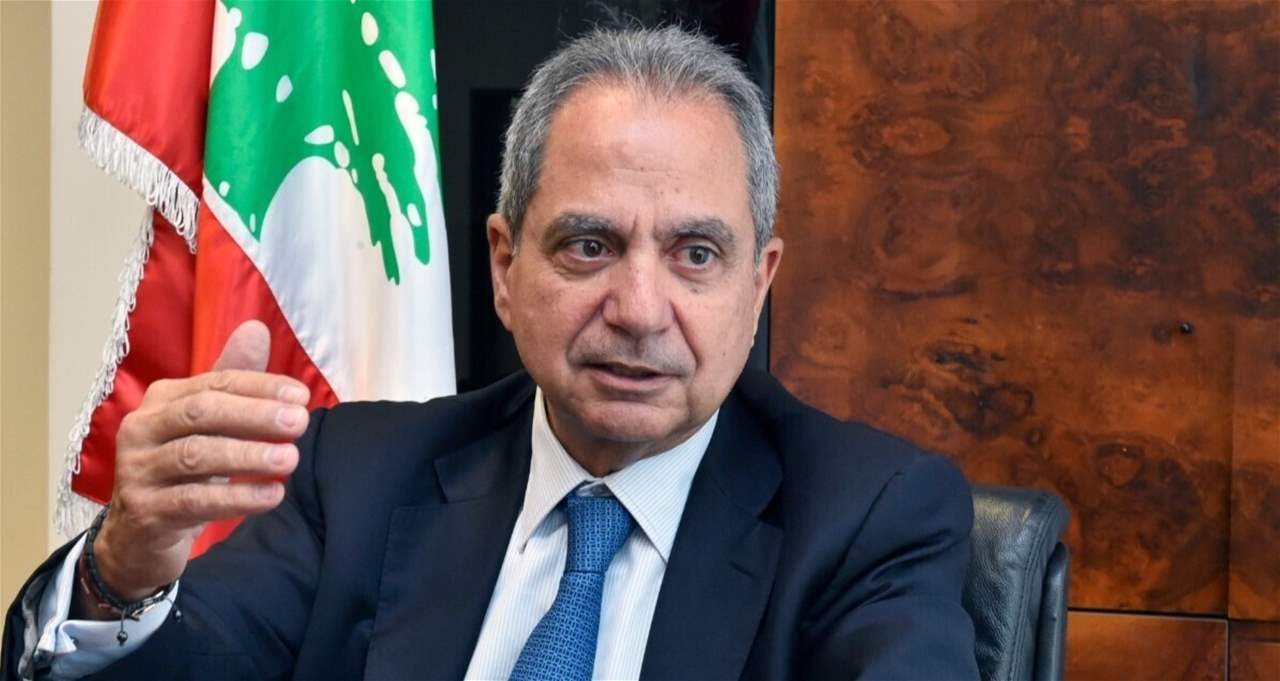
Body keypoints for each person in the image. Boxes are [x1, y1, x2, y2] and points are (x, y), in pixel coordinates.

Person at [4, 26, 978, 680]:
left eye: (695, 255)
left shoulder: (867, 518)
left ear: (757, 285)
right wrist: (124, 569)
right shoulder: (357, 477)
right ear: (505, 266)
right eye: (589, 245)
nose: (640, 310)